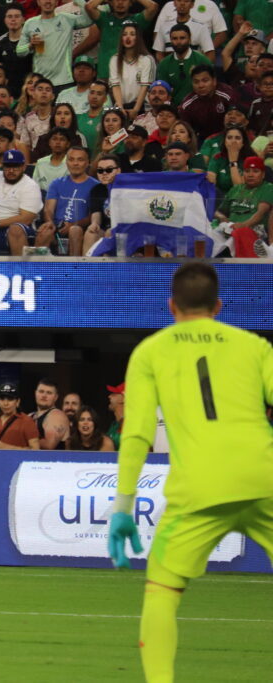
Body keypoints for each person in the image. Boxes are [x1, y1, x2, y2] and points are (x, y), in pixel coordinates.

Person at [106, 262, 273, 682]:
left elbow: (137, 433)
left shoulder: (150, 352)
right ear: (218, 306)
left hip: (199, 489)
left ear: (171, 306)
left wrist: (123, 505)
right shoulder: (254, 346)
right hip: (265, 477)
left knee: (161, 591)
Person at [0, 382, 40, 450]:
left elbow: (36, 450)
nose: (5, 403)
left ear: (17, 402)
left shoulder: (27, 421)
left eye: (10, 399)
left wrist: (7, 447)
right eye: (2, 399)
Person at [28, 378, 71, 450]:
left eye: (49, 393)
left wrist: (24, 439)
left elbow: (49, 445)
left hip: (53, 457)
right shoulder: (30, 416)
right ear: (35, 393)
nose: (44, 395)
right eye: (41, 391)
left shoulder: (57, 416)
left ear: (56, 397)